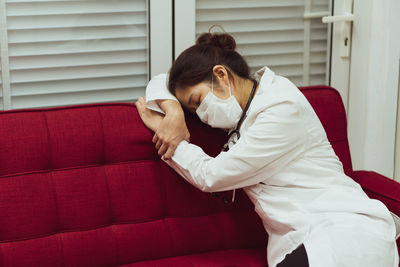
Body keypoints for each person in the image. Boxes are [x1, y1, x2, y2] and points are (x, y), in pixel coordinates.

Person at [135, 31, 400, 267]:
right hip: (306, 240)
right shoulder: (244, 109)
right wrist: (173, 114)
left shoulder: (281, 108)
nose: (201, 117)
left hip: (345, 234)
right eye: (192, 110)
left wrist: (174, 142)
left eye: (197, 102)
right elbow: (161, 80)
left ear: (221, 75)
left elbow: (210, 176)